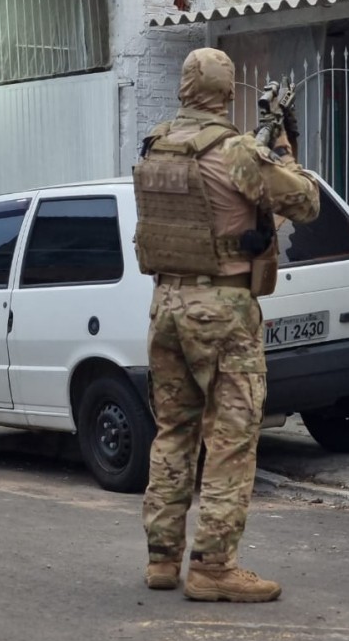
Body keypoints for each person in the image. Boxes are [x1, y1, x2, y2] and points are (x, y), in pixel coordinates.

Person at [133, 48, 319, 603]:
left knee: (173, 432)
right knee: (231, 439)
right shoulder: (236, 150)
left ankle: (162, 558)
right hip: (222, 310)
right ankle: (213, 565)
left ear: (185, 89)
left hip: (166, 301)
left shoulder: (155, 145)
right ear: (227, 91)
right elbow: (303, 202)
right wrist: (283, 148)